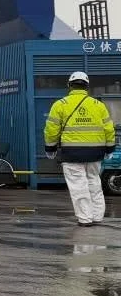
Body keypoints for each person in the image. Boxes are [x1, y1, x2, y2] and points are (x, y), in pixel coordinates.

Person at [44, 71, 116, 227]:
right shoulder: (99, 105)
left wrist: (50, 148)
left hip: (72, 153)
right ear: (87, 87)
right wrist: (110, 149)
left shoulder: (60, 105)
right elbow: (109, 129)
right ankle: (97, 216)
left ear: (69, 86)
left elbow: (51, 130)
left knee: (78, 186)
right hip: (96, 153)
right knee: (94, 183)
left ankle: (85, 218)